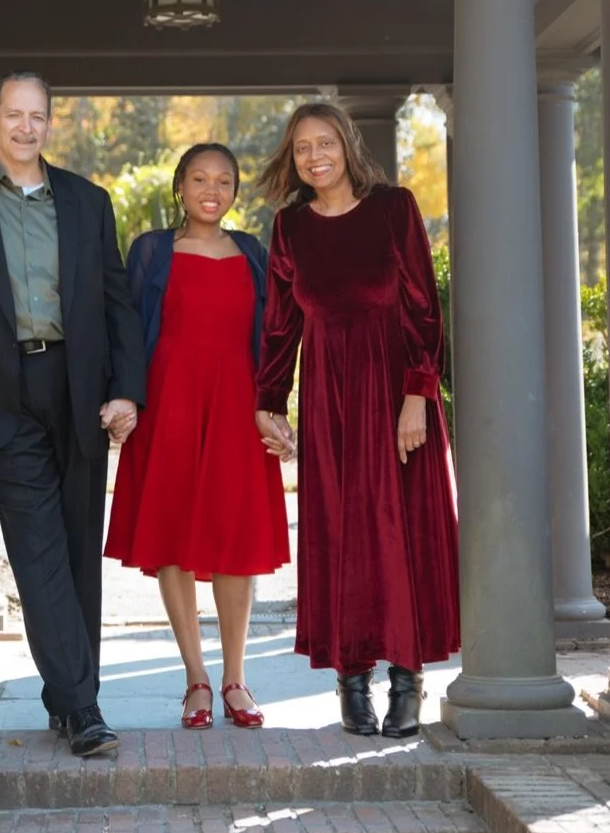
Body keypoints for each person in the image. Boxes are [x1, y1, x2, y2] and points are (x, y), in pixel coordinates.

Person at [0, 71, 146, 757]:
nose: (26, 127)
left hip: (76, 387)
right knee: (39, 544)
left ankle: (67, 699)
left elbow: (117, 304)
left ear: (49, 124)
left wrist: (126, 391)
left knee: (79, 548)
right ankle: (84, 709)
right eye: (13, 115)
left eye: (38, 117)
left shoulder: (86, 201)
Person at [255, 103, 459, 738]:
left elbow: (425, 307)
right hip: (328, 401)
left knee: (399, 534)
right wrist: (269, 402)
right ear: (292, 160)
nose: (315, 156)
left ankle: (407, 678)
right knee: (342, 535)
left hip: (396, 394)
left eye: (325, 143)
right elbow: (281, 323)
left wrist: (418, 395)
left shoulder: (393, 209)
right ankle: (350, 677)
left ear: (347, 145)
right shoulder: (290, 228)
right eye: (302, 148)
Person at [105, 144, 290, 729]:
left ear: (235, 191)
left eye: (225, 180)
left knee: (236, 537)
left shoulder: (255, 253)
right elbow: (126, 329)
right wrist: (125, 398)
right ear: (180, 186)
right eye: (200, 178)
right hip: (169, 407)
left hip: (237, 407)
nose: (212, 189)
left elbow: (276, 338)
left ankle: (236, 678)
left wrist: (273, 407)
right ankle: (196, 680)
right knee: (174, 536)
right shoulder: (152, 251)